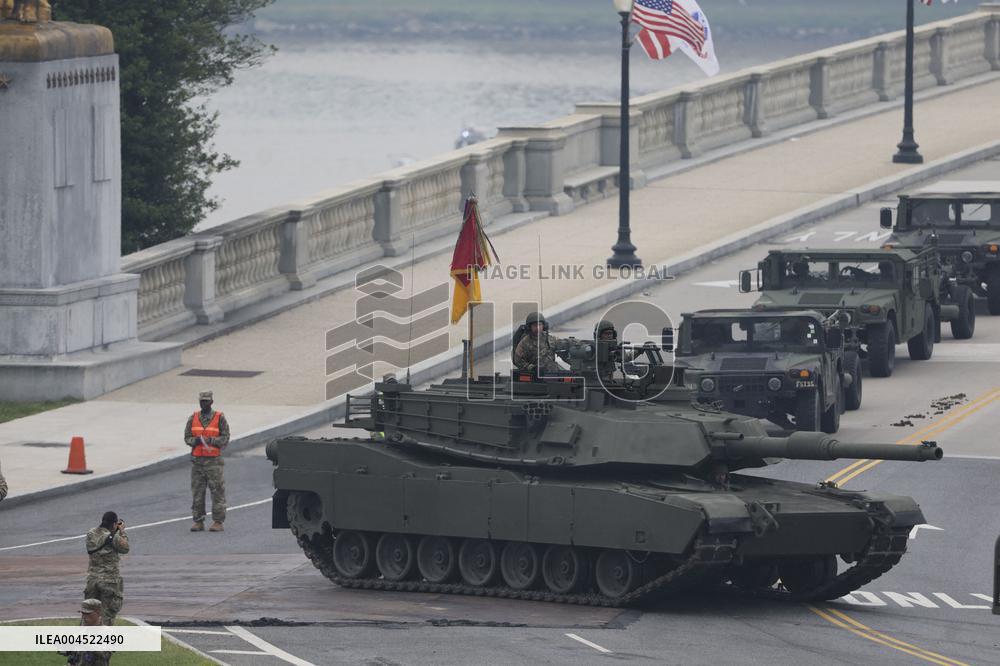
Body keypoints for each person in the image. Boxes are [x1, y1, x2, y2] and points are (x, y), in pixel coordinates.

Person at [185, 391, 230, 532]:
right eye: (201, 401)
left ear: (211, 402)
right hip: (198, 462)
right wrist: (195, 441)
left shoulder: (219, 418)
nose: (203, 403)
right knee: (197, 492)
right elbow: (187, 437)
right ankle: (198, 521)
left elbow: (225, 437)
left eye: (206, 401)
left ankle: (218, 521)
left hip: (214, 462)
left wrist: (212, 441)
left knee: (217, 491)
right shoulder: (193, 417)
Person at [84, 512, 129, 626]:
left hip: (92, 580)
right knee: (106, 615)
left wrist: (113, 531)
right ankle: (104, 642)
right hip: (109, 582)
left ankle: (84, 640)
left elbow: (103, 538)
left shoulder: (90, 533)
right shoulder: (114, 538)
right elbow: (125, 548)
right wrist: (122, 531)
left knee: (89, 615)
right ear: (114, 524)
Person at [60, 599, 113, 665]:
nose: (84, 617)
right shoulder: (82, 630)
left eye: (88, 614)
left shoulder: (107, 632)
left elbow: (104, 655)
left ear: (98, 612)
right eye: (83, 613)